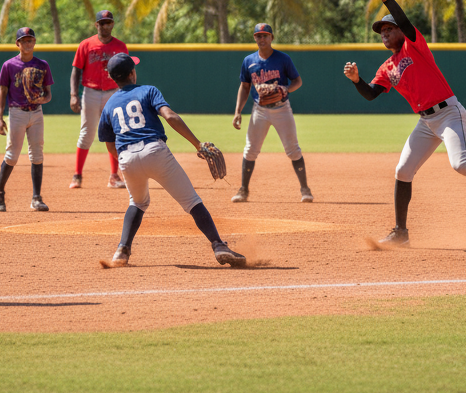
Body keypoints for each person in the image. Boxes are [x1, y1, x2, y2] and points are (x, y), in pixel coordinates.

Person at [342, 0, 466, 245]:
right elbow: (371, 94)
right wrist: (356, 80)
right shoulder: (387, 67)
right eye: (380, 31)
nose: (383, 33)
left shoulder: (413, 45)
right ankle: (401, 233)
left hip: (449, 113)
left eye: (388, 28)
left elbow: (403, 20)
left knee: (461, 165)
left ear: (399, 31)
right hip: (426, 122)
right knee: (403, 171)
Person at [99, 53, 246, 268]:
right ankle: (218, 245)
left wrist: (125, 161)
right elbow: (170, 117)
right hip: (154, 150)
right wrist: (198, 144)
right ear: (132, 73)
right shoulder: (148, 90)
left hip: (126, 157)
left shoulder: (109, 104)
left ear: (113, 78)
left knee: (138, 202)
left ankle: (122, 250)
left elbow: (109, 143)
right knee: (191, 201)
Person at [230, 23, 313, 203]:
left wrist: (286, 89)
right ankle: (243, 190)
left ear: (272, 38)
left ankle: (305, 189)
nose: (262, 39)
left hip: (282, 109)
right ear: (254, 38)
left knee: (293, 150)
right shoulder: (248, 61)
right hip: (259, 110)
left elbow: (297, 81)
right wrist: (238, 111)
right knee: (250, 149)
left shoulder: (283, 59)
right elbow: (245, 87)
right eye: (258, 36)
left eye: (265, 35)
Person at [0, 26, 53, 213]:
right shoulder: (9, 65)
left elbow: (48, 94)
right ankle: (0, 192)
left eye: (31, 40)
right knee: (12, 155)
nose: (28, 43)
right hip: (16, 112)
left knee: (37, 154)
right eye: (24, 40)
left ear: (34, 42)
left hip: (36, 113)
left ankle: (36, 198)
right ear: (17, 43)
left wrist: (44, 99)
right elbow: (2, 92)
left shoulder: (42, 65)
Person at [68, 10, 127, 189]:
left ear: (113, 24)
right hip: (91, 92)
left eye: (108, 22)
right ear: (97, 25)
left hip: (113, 92)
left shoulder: (120, 46)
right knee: (87, 133)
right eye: (102, 23)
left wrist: (126, 93)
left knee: (116, 132)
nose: (105, 26)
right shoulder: (86, 45)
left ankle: (114, 176)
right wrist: (73, 95)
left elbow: (127, 71)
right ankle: (77, 175)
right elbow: (76, 71)